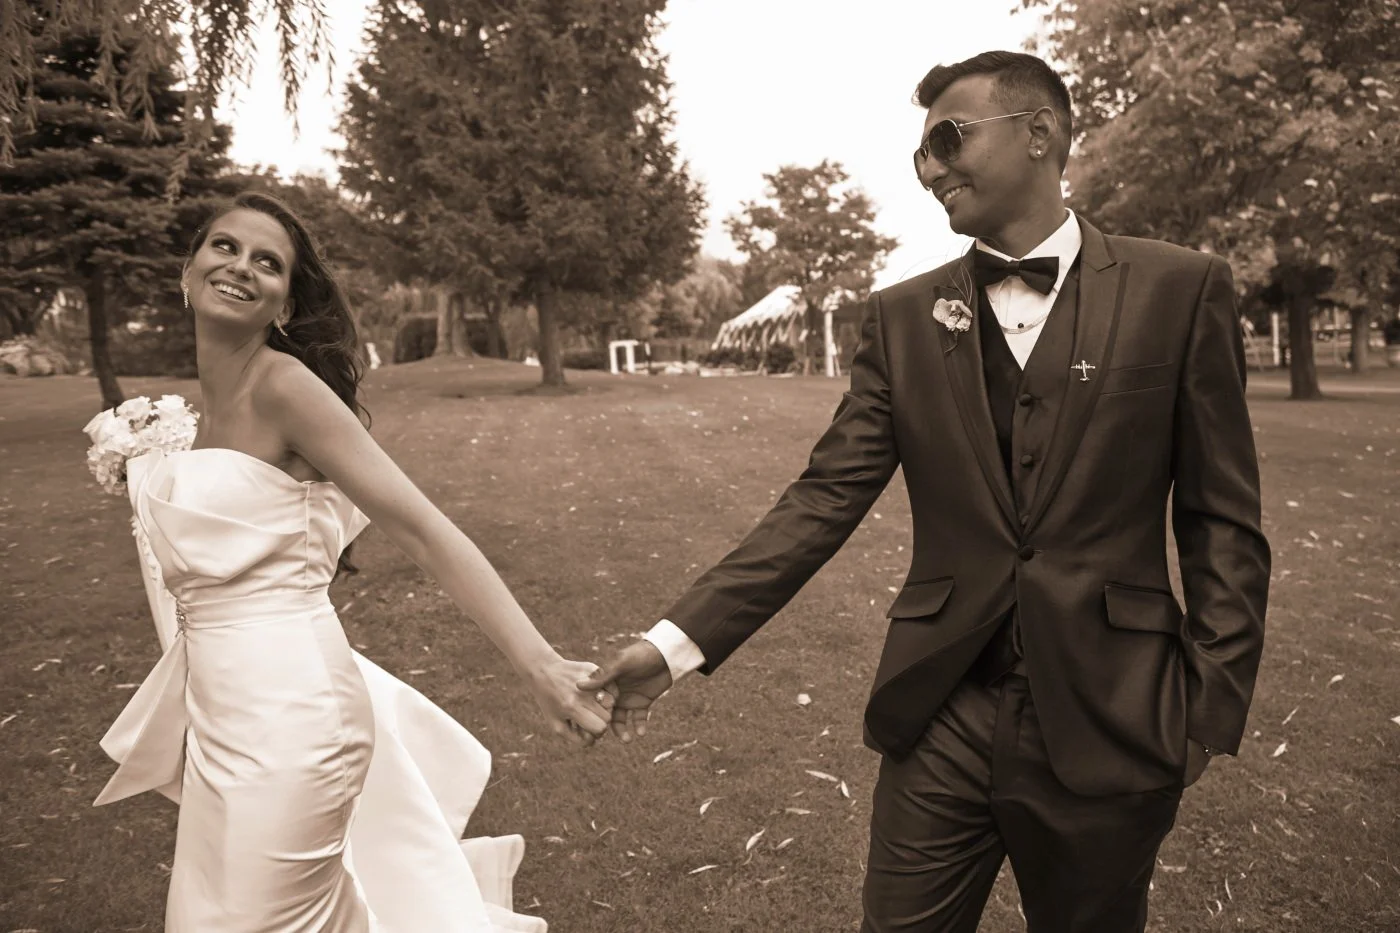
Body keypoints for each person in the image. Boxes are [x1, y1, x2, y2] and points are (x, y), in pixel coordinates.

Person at [583, 50, 1271, 932]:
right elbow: (821, 499)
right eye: (920, 155)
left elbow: (1223, 521)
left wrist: (1208, 710)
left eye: (948, 140)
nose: (931, 169)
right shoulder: (901, 317)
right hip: (942, 711)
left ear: (1042, 132)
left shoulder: (1180, 289)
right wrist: (674, 646)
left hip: (1114, 710)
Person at [93, 191, 613, 931]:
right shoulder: (194, 417)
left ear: (283, 302)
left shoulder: (284, 388)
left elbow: (426, 528)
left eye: (267, 263)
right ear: (189, 269)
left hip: (293, 719)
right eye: (225, 247)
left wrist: (542, 665)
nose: (241, 267)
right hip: (218, 714)